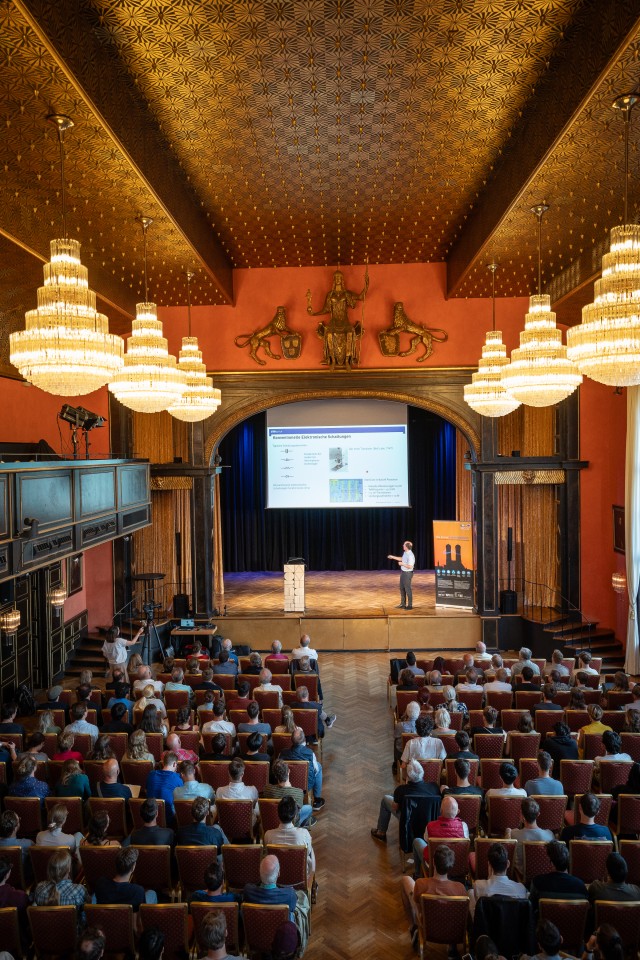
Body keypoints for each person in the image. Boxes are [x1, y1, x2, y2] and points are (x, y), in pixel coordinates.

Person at [307, 267, 368, 369]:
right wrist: (313, 313)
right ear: (334, 280)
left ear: (342, 280)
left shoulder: (346, 293)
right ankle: (332, 360)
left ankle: (349, 359)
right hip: (334, 322)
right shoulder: (330, 295)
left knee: (350, 333)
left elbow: (361, 297)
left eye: (340, 277)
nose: (338, 279)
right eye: (336, 277)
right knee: (329, 334)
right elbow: (325, 309)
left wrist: (366, 284)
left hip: (344, 321)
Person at [371, 757, 440, 842]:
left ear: (408, 776)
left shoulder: (400, 790)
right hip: (429, 819)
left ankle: (381, 832)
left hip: (408, 821)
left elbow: (395, 808)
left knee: (386, 799)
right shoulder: (434, 787)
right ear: (422, 772)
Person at [94, 846, 157, 920]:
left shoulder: (100, 883)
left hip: (106, 922)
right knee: (152, 893)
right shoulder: (137, 891)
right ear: (133, 867)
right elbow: (138, 920)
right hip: (128, 925)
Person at [411, 795, 467, 877]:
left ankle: (417, 874)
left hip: (434, 865)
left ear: (440, 810)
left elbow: (426, 840)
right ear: (458, 811)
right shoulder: (464, 826)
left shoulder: (430, 826)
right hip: (455, 863)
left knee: (417, 841)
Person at [468, 841, 528, 918]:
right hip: (512, 928)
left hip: (487, 928)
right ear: (508, 864)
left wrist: (489, 879)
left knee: (470, 892)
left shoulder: (478, 885)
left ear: (489, 864)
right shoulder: (521, 889)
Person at [529, 839, 588, 912]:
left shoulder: (537, 883)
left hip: (546, 922)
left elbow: (531, 909)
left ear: (551, 863)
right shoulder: (581, 886)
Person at [264, 795, 315, 876]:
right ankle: (312, 880)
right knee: (311, 849)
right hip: (299, 878)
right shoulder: (304, 833)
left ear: (278, 815)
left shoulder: (268, 835)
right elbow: (307, 853)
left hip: (276, 877)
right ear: (295, 816)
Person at [506, 798, 554, 876]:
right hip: (544, 875)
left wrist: (508, 831)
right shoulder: (550, 835)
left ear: (521, 815)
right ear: (538, 814)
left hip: (522, 875)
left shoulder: (513, 834)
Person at [280, 727, 325, 810]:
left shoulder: (283, 753)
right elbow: (315, 770)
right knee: (318, 766)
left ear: (291, 740)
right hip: (306, 785)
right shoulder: (309, 753)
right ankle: (317, 800)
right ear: (304, 739)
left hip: (287, 783)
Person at [32, 849, 87, 916]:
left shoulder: (39, 889)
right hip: (73, 926)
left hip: (47, 925)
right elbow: (86, 909)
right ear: (68, 869)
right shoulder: (79, 890)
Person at [243, 854, 297, 921]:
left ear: (259, 873)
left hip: (255, 929)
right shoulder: (290, 895)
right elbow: (293, 908)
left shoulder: (247, 891)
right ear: (278, 874)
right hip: (280, 930)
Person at [264, 759, 314, 827]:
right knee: (309, 808)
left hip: (273, 820)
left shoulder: (267, 789)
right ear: (289, 771)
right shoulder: (299, 792)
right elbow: (298, 811)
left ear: (275, 776)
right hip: (292, 823)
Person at [145, 752, 183, 823]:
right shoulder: (178, 778)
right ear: (175, 764)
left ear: (163, 763)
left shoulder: (151, 774)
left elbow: (146, 791)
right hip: (169, 819)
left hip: (150, 816)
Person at [388, 540, 415, 609]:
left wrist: (402, 564)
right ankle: (403, 604)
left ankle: (410, 605)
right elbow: (402, 559)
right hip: (403, 572)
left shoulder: (410, 555)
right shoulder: (405, 553)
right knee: (402, 588)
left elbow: (410, 566)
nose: (403, 545)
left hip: (408, 574)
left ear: (406, 547)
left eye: (404, 545)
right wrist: (393, 557)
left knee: (407, 589)